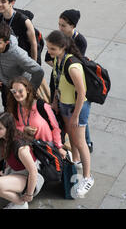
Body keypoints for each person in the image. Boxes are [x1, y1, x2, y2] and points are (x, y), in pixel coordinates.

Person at [46, 30, 94, 198]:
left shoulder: (72, 66)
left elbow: (82, 93)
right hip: (64, 105)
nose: (49, 52)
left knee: (80, 142)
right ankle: (75, 160)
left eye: (52, 49)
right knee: (72, 138)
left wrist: (75, 115)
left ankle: (88, 177)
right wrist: (54, 101)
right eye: (48, 48)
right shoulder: (58, 60)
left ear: (63, 47)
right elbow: (57, 82)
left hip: (76, 108)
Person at [45, 9, 92, 153]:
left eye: (63, 25)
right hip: (59, 84)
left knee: (79, 121)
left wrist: (63, 68)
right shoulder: (58, 38)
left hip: (72, 87)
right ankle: (65, 143)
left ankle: (87, 142)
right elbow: (47, 59)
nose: (60, 28)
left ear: (73, 26)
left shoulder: (80, 41)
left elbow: (79, 64)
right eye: (59, 24)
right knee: (64, 117)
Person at [0, 112, 45, 209]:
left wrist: (29, 195)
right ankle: (15, 194)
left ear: (8, 129)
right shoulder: (2, 139)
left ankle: (21, 203)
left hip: (28, 176)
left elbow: (33, 172)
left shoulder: (21, 147)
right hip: (13, 170)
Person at [0, 23, 44, 109]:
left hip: (20, 90)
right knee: (7, 109)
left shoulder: (18, 55)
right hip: (6, 86)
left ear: (7, 43)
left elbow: (39, 71)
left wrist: (30, 90)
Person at [6, 76, 66, 158]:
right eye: (14, 91)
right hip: (30, 147)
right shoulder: (14, 107)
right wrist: (24, 129)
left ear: (27, 90)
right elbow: (14, 127)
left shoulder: (41, 106)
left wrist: (59, 147)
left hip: (47, 147)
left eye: (20, 91)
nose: (17, 94)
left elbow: (55, 127)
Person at [0, 0, 38, 64]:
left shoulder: (24, 21)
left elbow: (33, 44)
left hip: (22, 63)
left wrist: (33, 65)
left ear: (12, 3)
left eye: (3, 1)